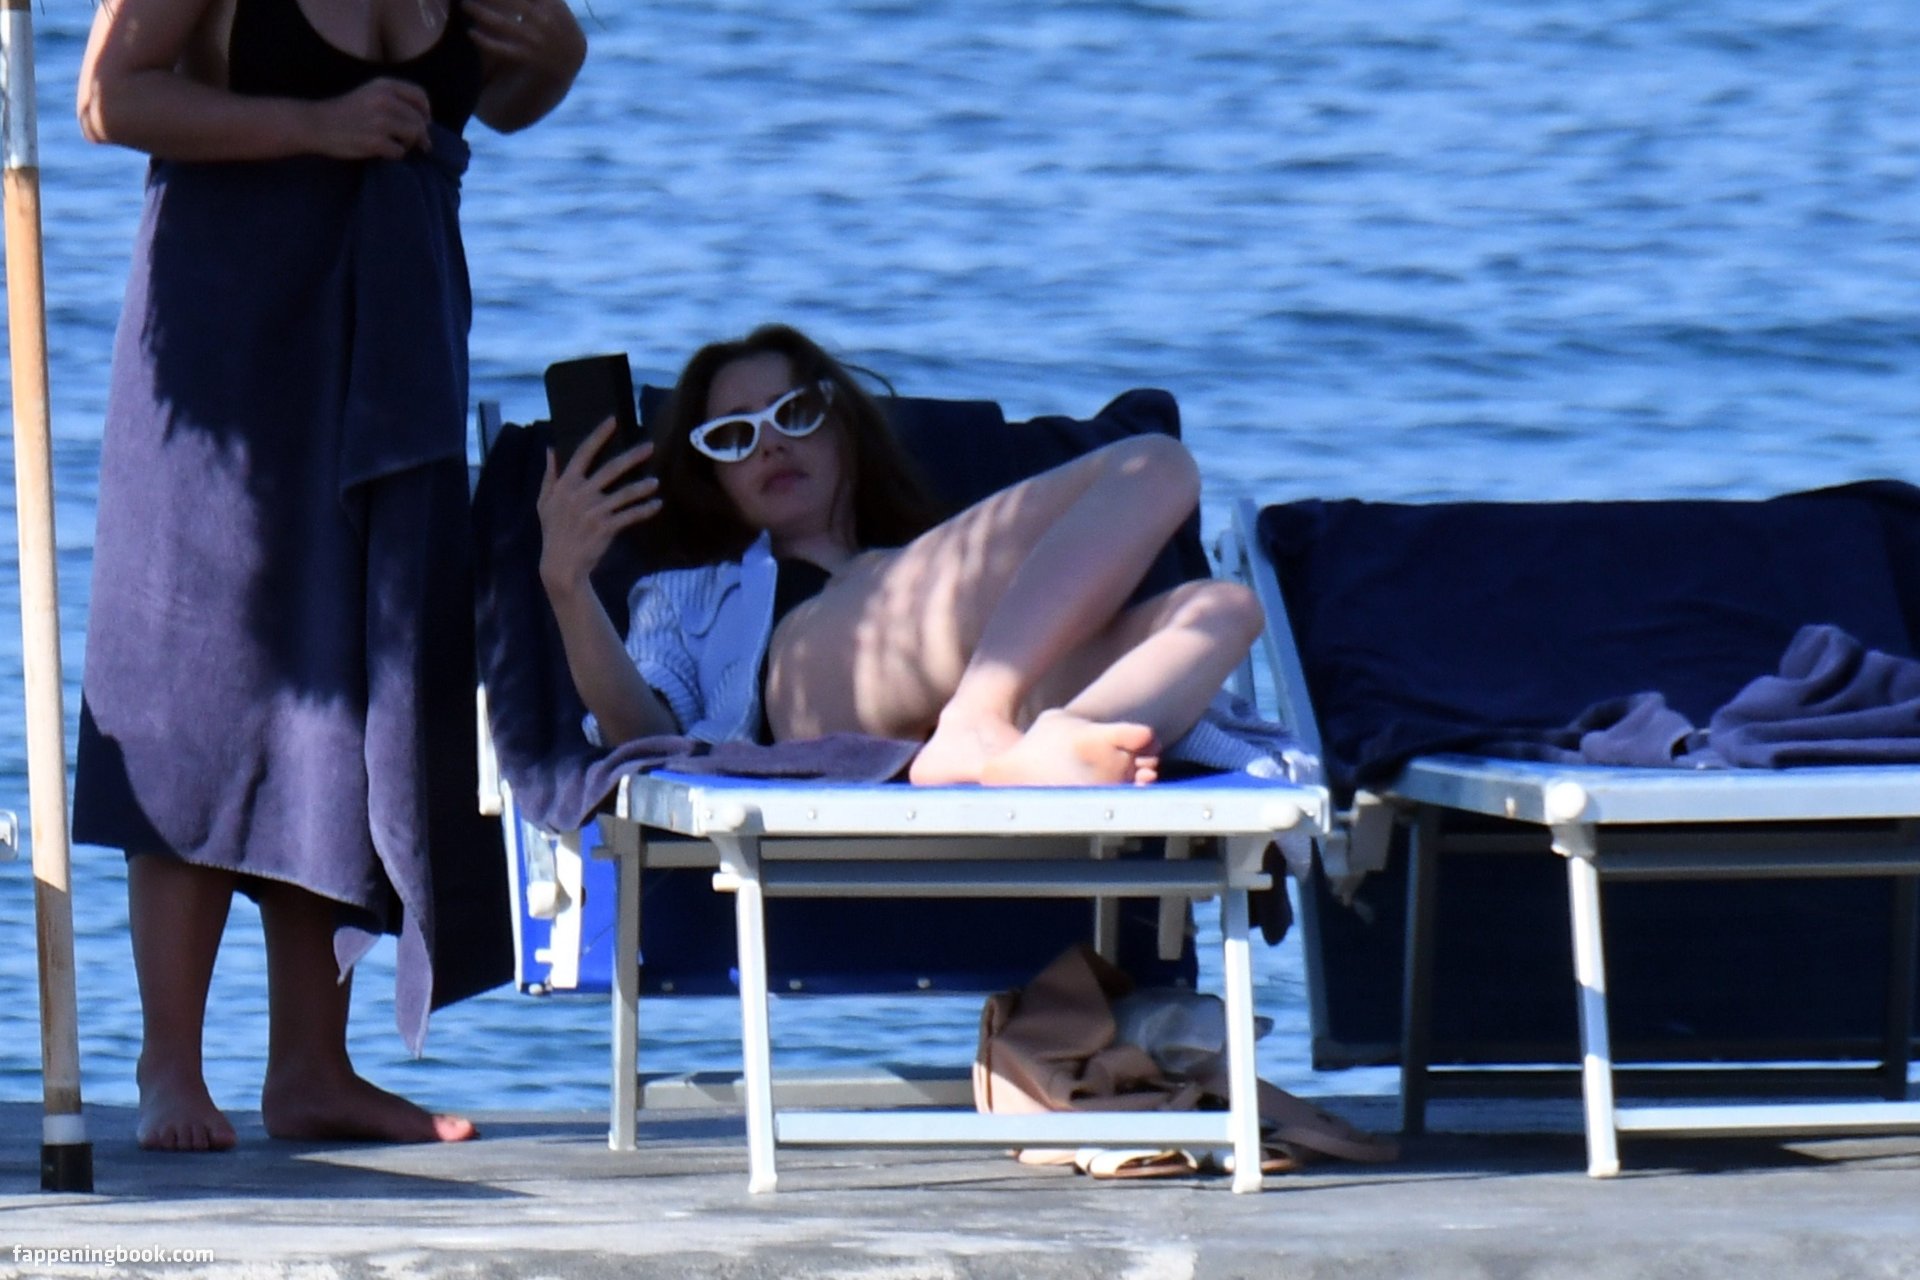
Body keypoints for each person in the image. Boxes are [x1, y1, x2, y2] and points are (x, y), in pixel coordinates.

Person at [71, 0, 586, 1152]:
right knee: (196, 684)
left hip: (396, 337)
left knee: (354, 685)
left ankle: (313, 1065)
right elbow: (109, 98)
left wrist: (558, 63)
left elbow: (499, 101)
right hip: (224, 339)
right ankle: (170, 1061)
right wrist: (314, 123)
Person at [536, 324, 1266, 789]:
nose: (771, 443)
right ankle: (977, 721)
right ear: (712, 477)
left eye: (795, 414)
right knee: (1151, 461)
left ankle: (1059, 738)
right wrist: (567, 585)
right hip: (813, 682)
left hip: (971, 666)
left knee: (1224, 606)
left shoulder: (927, 560)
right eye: (733, 436)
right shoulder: (692, 594)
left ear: (844, 425)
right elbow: (644, 737)